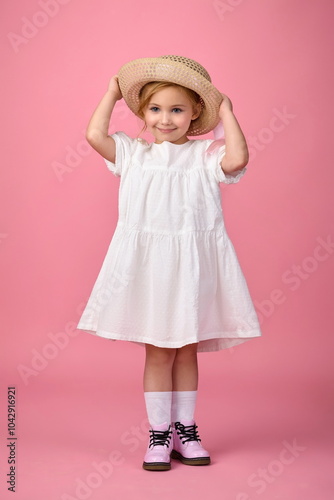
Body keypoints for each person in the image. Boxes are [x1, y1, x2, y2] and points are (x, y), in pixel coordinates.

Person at [77, 55, 262, 471]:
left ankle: (187, 429)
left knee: (187, 348)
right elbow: (94, 135)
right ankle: (159, 435)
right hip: (150, 269)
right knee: (159, 350)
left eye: (177, 109)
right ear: (142, 113)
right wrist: (110, 93)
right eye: (156, 109)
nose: (166, 119)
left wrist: (227, 112)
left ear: (195, 112)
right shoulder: (132, 154)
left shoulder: (204, 156)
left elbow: (236, 161)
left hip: (192, 265)